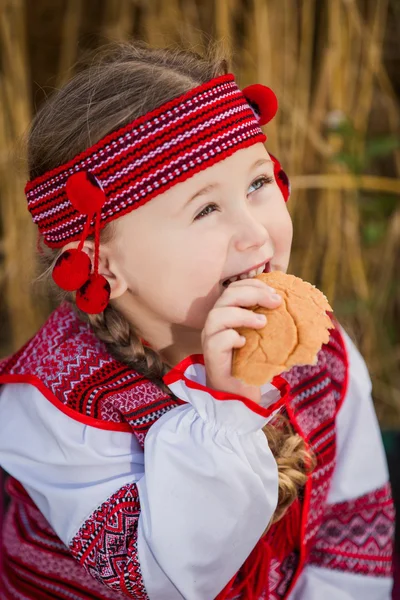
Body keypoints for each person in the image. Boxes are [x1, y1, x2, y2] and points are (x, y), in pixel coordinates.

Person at [0, 41, 394, 600]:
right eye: (206, 209)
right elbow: (168, 581)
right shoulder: (54, 404)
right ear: (100, 262)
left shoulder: (316, 352)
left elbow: (352, 536)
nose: (256, 233)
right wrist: (229, 410)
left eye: (258, 184)